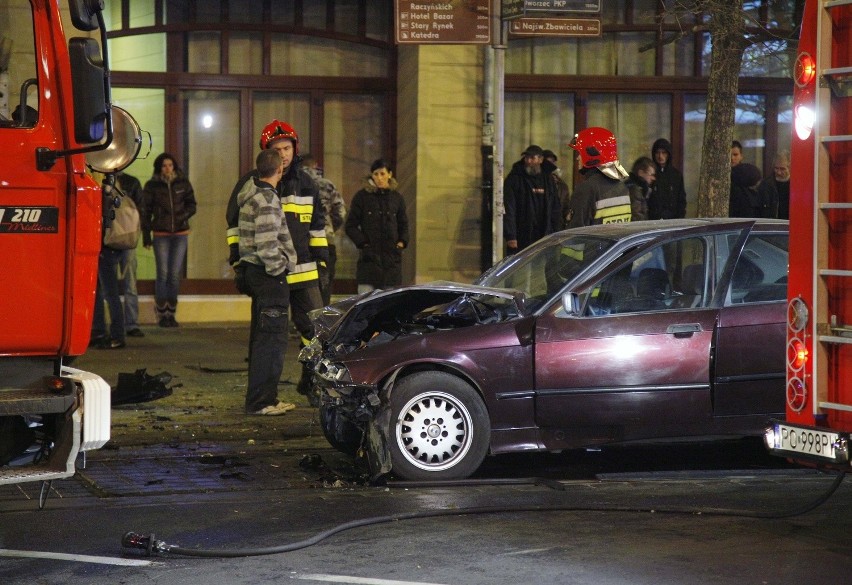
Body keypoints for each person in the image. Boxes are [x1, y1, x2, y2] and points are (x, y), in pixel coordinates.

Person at [226, 120, 327, 406]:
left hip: (304, 271)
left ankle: (312, 382)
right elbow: (234, 226)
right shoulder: (253, 183)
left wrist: (323, 263)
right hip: (271, 275)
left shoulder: (308, 183)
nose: (283, 154)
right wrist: (237, 262)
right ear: (266, 152)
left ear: (296, 148)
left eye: (287, 147)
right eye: (277, 149)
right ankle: (263, 397)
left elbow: (317, 226)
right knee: (268, 337)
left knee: (316, 332)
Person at [235, 149, 298, 416]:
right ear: (279, 170)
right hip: (268, 276)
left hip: (253, 273)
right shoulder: (268, 200)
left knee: (262, 338)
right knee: (272, 341)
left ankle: (261, 398)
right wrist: (280, 268)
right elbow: (266, 244)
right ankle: (263, 402)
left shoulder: (250, 195)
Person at [141, 153, 197, 327]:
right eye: (164, 165)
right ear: (159, 168)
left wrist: (183, 216)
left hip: (180, 233)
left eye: (170, 165)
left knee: (174, 275)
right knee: (163, 274)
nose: (167, 168)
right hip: (161, 233)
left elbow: (192, 204)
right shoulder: (152, 186)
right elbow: (145, 211)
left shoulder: (183, 183)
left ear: (174, 166)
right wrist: (146, 235)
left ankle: (171, 313)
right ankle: (162, 313)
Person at [345, 159, 409, 294]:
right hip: (369, 262)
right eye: (375, 174)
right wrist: (364, 244)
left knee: (389, 305)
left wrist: (401, 242)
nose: (379, 178)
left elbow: (403, 223)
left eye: (382, 174)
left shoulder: (397, 198)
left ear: (390, 174)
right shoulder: (362, 197)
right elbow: (350, 225)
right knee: (366, 304)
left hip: (391, 262)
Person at [301, 153, 346, 306]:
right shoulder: (327, 185)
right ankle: (322, 324)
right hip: (326, 241)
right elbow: (340, 212)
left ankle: (301, 324)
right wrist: (330, 228)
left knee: (301, 286)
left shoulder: (295, 184)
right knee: (324, 284)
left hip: (301, 242)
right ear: (315, 165)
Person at [566, 127, 631, 227]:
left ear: (591, 154)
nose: (577, 158)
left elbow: (575, 235)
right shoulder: (622, 187)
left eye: (580, 153)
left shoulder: (586, 189)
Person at [502, 145, 563, 253]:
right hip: (522, 235)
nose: (529, 161)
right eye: (526, 158)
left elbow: (555, 207)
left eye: (532, 158)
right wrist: (511, 235)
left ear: (540, 159)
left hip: (544, 235)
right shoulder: (515, 179)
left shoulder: (548, 180)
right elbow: (509, 208)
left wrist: (556, 232)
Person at [90, 173, 126, 349]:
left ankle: (116, 335)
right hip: (107, 247)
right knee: (98, 292)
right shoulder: (115, 187)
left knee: (109, 292)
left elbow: (104, 220)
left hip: (106, 247)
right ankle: (100, 332)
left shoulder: (105, 190)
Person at [114, 171, 145, 337]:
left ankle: (130, 324)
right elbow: (141, 210)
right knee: (126, 283)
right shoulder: (132, 182)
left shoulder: (131, 182)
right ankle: (128, 324)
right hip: (123, 237)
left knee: (127, 283)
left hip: (118, 237)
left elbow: (141, 209)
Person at [649, 138, 687, 219]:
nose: (660, 156)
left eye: (664, 153)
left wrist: (679, 219)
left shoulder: (676, 175)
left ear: (668, 154)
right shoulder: (650, 174)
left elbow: (681, 200)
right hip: (652, 221)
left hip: (672, 221)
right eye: (657, 153)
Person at [543, 149, 572, 229]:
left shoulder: (561, 185)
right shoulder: (536, 183)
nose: (551, 165)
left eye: (552, 162)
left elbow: (565, 207)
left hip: (556, 228)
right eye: (548, 162)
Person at [757, 151, 791, 219]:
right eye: (776, 168)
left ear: (790, 167)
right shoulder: (765, 185)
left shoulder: (796, 185)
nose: (778, 172)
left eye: (782, 169)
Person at [625, 157, 656, 221]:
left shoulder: (639, 188)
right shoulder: (635, 190)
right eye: (651, 175)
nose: (653, 178)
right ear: (641, 173)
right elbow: (637, 216)